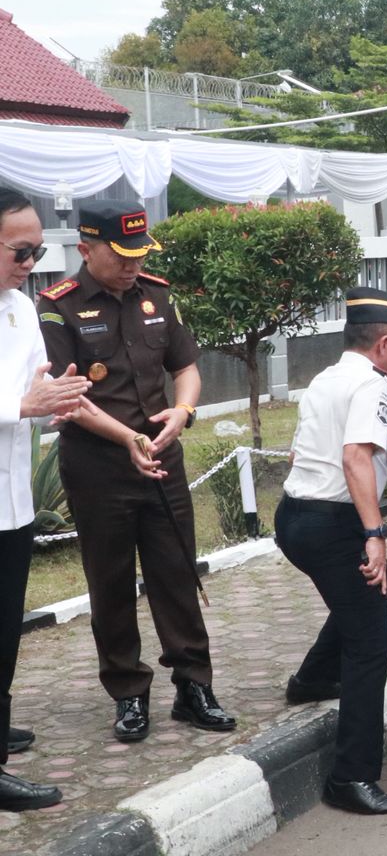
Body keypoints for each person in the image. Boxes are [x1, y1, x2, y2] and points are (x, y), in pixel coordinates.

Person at [39, 199, 235, 744]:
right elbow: (67, 395)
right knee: (111, 581)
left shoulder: (157, 294)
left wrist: (185, 410)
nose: (131, 265)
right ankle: (129, 692)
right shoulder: (58, 307)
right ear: (85, 249)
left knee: (177, 571)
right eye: (120, 254)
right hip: (99, 462)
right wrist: (126, 437)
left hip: (162, 457)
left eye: (138, 253)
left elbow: (186, 367)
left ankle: (194, 686)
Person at [276, 287, 387, 816]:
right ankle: (351, 777)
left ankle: (310, 681)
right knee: (372, 642)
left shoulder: (326, 378)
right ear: (383, 341)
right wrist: (375, 536)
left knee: (372, 592)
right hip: (334, 523)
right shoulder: (372, 386)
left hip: (295, 517)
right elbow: (356, 458)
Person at [0, 189, 91, 811]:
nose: (31, 261)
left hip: (11, 501)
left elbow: (36, 386)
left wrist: (55, 400)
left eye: (37, 249)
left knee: (6, 629)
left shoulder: (19, 310)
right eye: (20, 250)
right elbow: (18, 402)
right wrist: (20, 408)